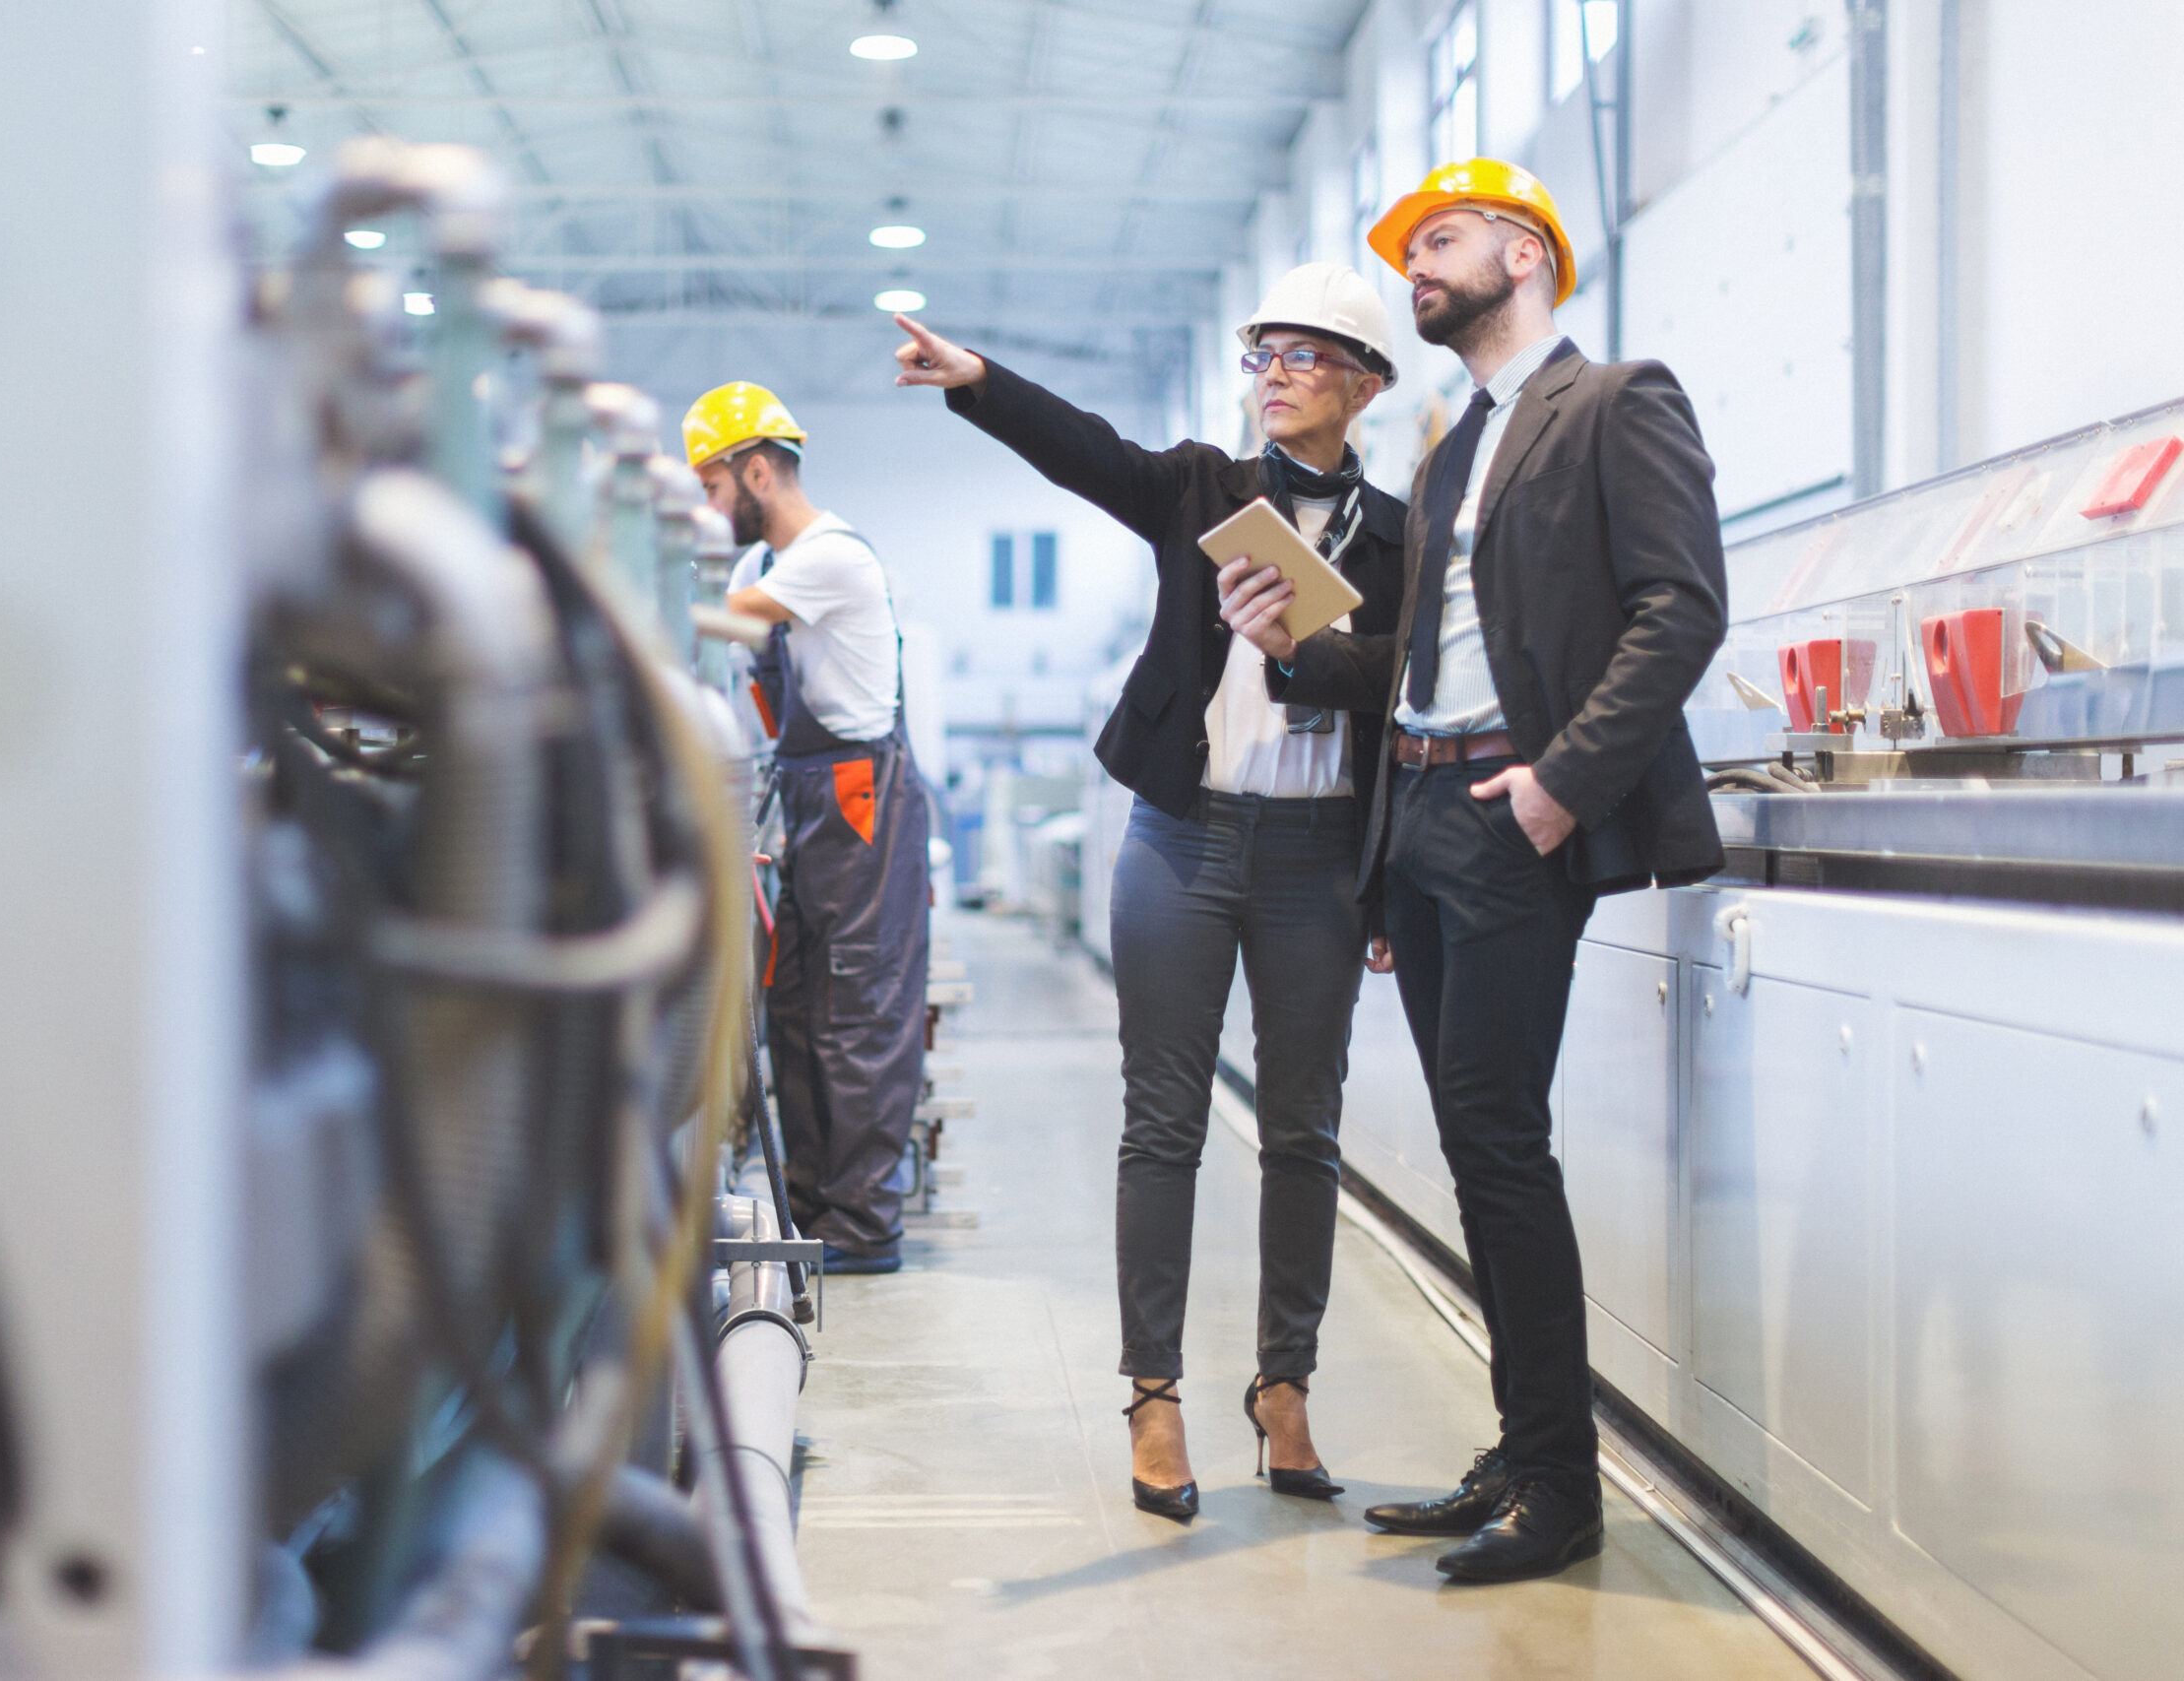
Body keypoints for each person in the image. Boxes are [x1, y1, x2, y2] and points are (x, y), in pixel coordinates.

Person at [1217, 160, 1728, 1583]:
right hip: (1427, 818)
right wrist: (1287, 644)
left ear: (1526, 250)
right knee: (1476, 1147)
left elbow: (1682, 608)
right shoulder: (1450, 446)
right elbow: (1412, 670)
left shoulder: (1618, 400)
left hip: (1517, 812)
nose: (1416, 269)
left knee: (1500, 1142)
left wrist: (1564, 784)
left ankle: (1563, 1489)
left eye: (1438, 243)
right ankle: (1522, 1451)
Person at [893, 264, 1406, 1522]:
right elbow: (1086, 453)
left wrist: (1315, 672)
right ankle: (1155, 1394)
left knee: (1304, 1132)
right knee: (1160, 1122)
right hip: (1180, 841)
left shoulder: (1403, 537)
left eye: (1302, 354)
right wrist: (980, 384)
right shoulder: (1202, 491)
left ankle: (1283, 1387)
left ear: (1364, 382)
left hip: (1317, 860)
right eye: (1262, 353)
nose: (1273, 372)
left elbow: (1407, 691)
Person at [684, 382, 931, 1277]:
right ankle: (817, 1203)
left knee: (857, 1008)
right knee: (797, 1004)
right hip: (809, 792)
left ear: (757, 469)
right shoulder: (762, 570)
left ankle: (864, 1222)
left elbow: (718, 624)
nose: (712, 514)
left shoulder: (828, 556)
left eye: (713, 490)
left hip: (864, 795)